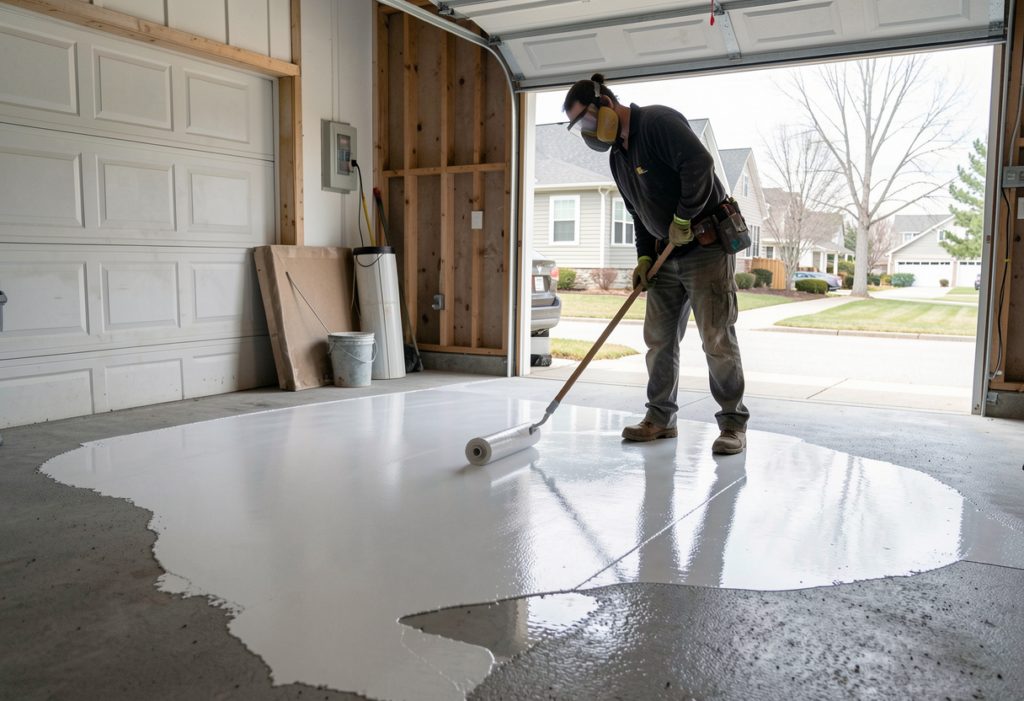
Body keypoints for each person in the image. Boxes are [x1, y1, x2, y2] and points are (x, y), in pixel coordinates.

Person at [563, 74, 749, 455]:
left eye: (585, 120)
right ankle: (660, 418)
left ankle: (732, 424)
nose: (586, 131)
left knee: (716, 337)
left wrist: (683, 219)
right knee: (659, 340)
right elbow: (637, 211)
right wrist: (645, 256)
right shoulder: (619, 156)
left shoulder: (657, 122)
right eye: (578, 126)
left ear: (606, 105)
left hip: (704, 248)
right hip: (665, 257)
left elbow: (699, 163)